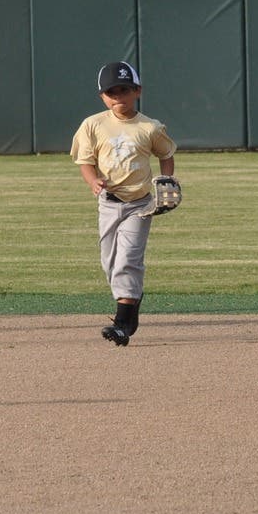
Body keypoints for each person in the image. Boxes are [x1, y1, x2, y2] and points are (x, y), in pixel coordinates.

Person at [69, 61, 176, 348]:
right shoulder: (93, 125)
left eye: (125, 90)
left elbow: (166, 154)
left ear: (137, 91)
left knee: (128, 259)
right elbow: (85, 161)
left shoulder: (150, 127)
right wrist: (92, 181)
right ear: (102, 96)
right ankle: (132, 299)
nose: (118, 97)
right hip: (108, 203)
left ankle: (123, 322)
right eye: (111, 92)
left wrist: (166, 179)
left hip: (140, 204)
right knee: (110, 262)